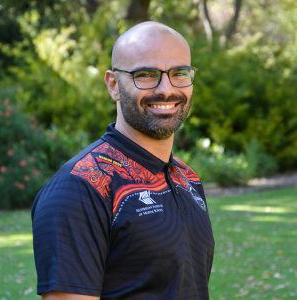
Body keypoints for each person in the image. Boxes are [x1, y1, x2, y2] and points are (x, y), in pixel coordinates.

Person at [32, 21, 215, 300]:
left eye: (179, 73)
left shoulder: (187, 178)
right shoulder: (79, 188)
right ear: (114, 85)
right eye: (145, 74)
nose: (166, 89)